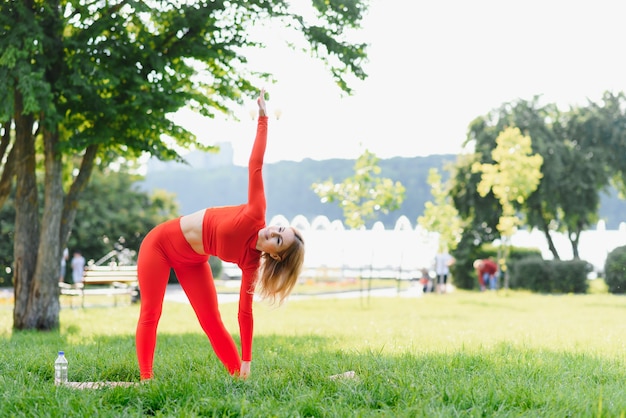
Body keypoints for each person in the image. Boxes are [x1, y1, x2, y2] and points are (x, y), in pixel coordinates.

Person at [135, 89, 305, 381]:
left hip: (192, 261)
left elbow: (244, 313)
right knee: (152, 311)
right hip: (160, 244)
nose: (272, 231)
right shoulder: (255, 212)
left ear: (275, 255)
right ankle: (146, 380)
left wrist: (247, 361)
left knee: (211, 320)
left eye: (278, 239)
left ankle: (238, 377)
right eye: (279, 228)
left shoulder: (252, 263)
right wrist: (263, 119)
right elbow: (256, 164)